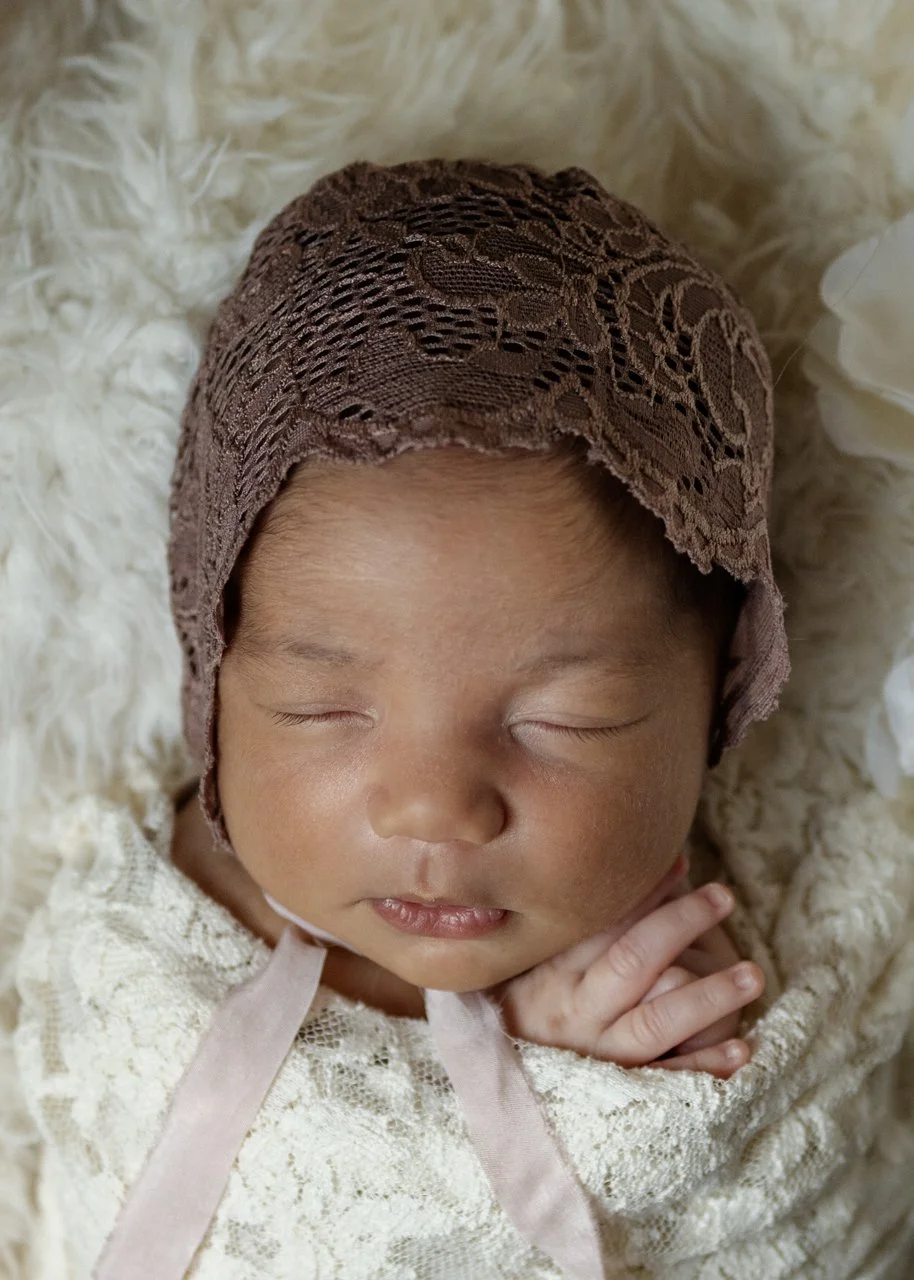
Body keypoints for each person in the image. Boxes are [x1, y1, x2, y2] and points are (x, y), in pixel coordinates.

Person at [15, 157, 798, 1278]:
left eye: (566, 719)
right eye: (320, 705)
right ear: (214, 675)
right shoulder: (145, 920)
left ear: (720, 684)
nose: (433, 804)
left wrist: (587, 1087)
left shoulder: (679, 964)